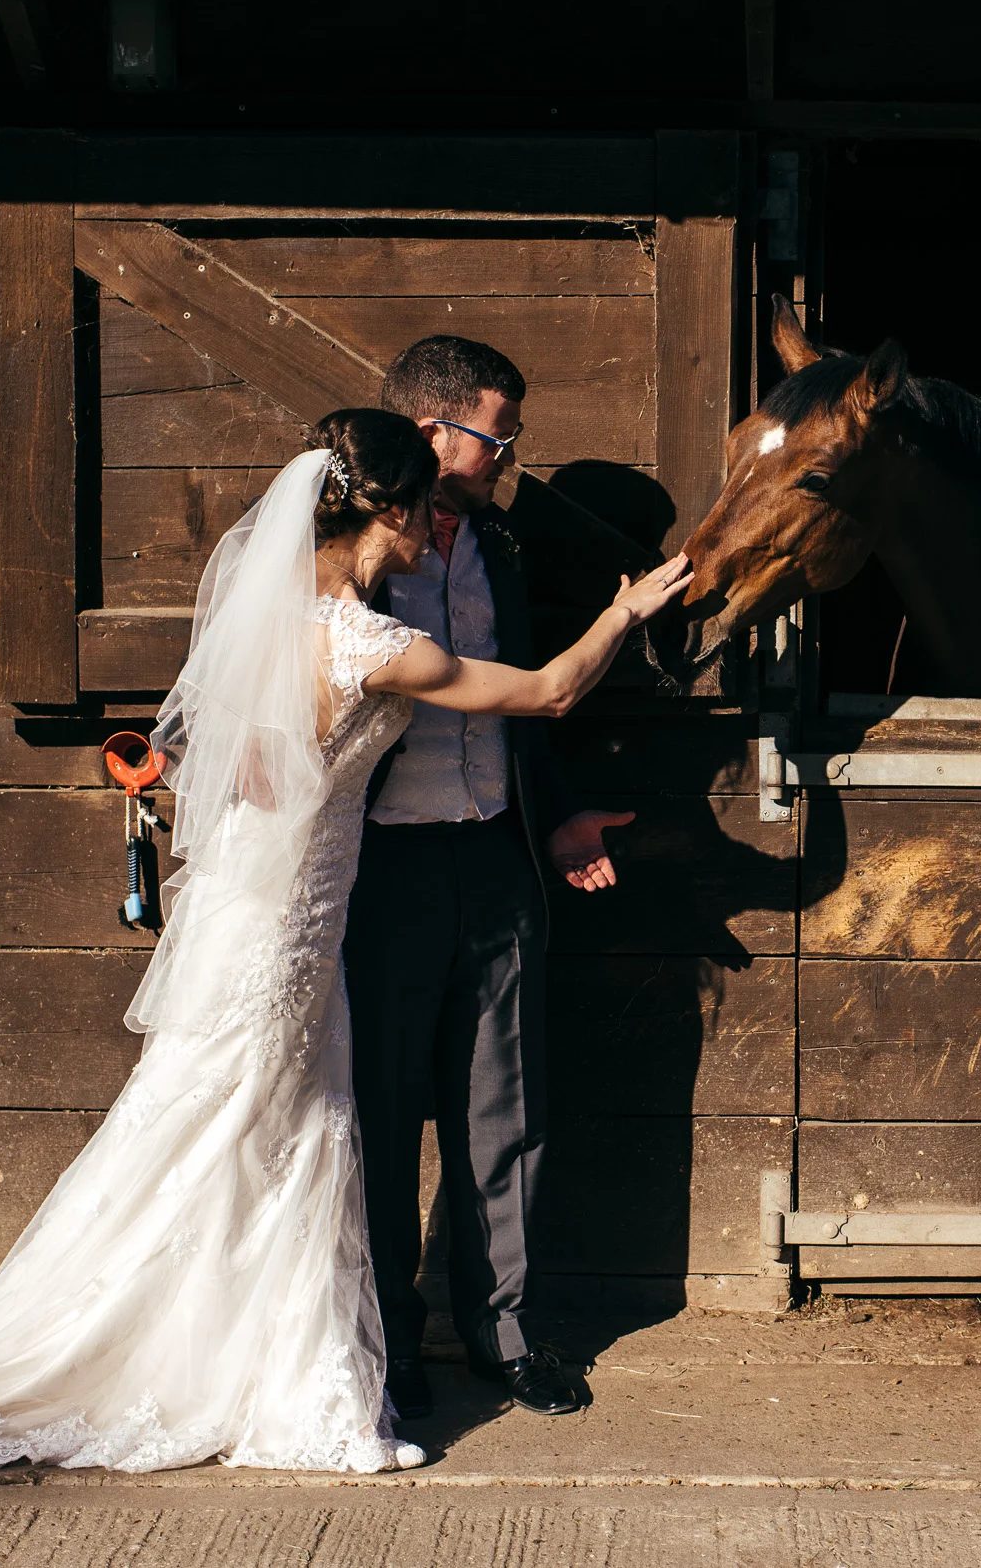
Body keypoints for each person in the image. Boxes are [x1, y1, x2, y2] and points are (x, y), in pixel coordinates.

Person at [0, 411, 691, 1501]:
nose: (432, 530)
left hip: (255, 906)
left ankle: (242, 1354)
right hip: (288, 922)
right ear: (391, 510)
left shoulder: (266, 620)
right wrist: (623, 611)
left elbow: (227, 763)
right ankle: (250, 1372)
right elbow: (548, 691)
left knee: (234, 1124)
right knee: (262, 1127)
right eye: (423, 512)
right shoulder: (369, 643)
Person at [345, 336, 636, 1420]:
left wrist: (556, 818)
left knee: (503, 1106)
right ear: (433, 432)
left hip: (496, 854)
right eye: (496, 436)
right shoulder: (347, 551)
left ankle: (504, 1334)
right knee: (380, 1113)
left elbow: (522, 710)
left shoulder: (500, 545)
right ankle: (388, 1338)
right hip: (380, 867)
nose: (509, 455)